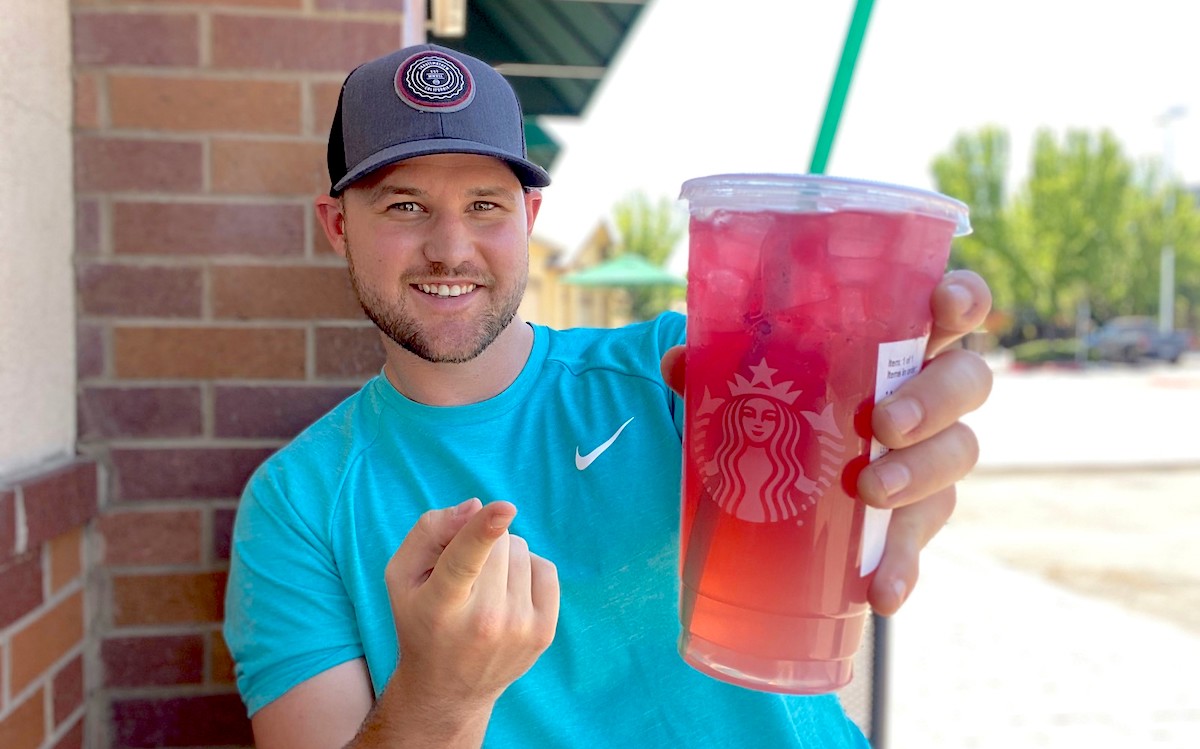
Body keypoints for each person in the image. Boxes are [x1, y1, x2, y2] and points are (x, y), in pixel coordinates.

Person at [224, 43, 994, 748]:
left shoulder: (675, 375)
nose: (450, 247)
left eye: (485, 204)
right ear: (337, 225)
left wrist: (888, 432)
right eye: (405, 205)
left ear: (528, 217)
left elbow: (827, 427)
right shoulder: (297, 503)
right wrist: (438, 697)